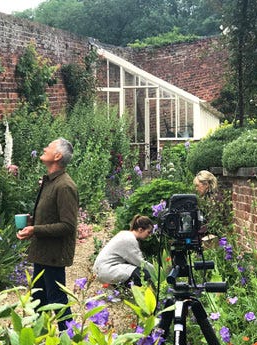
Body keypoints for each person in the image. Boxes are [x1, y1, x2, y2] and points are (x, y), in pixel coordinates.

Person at [17, 138, 79, 331]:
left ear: (57, 156)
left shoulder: (65, 186)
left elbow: (68, 226)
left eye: (49, 147)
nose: (44, 148)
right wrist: (31, 224)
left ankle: (71, 341)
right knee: (39, 300)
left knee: (58, 301)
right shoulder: (51, 182)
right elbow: (50, 215)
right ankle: (36, 343)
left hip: (53, 255)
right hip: (43, 253)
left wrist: (35, 230)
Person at [93, 215, 155, 287]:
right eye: (148, 232)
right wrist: (156, 271)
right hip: (106, 269)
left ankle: (126, 294)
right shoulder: (129, 239)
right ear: (140, 230)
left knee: (135, 272)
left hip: (103, 269)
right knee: (143, 274)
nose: (150, 235)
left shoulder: (125, 234)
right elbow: (140, 263)